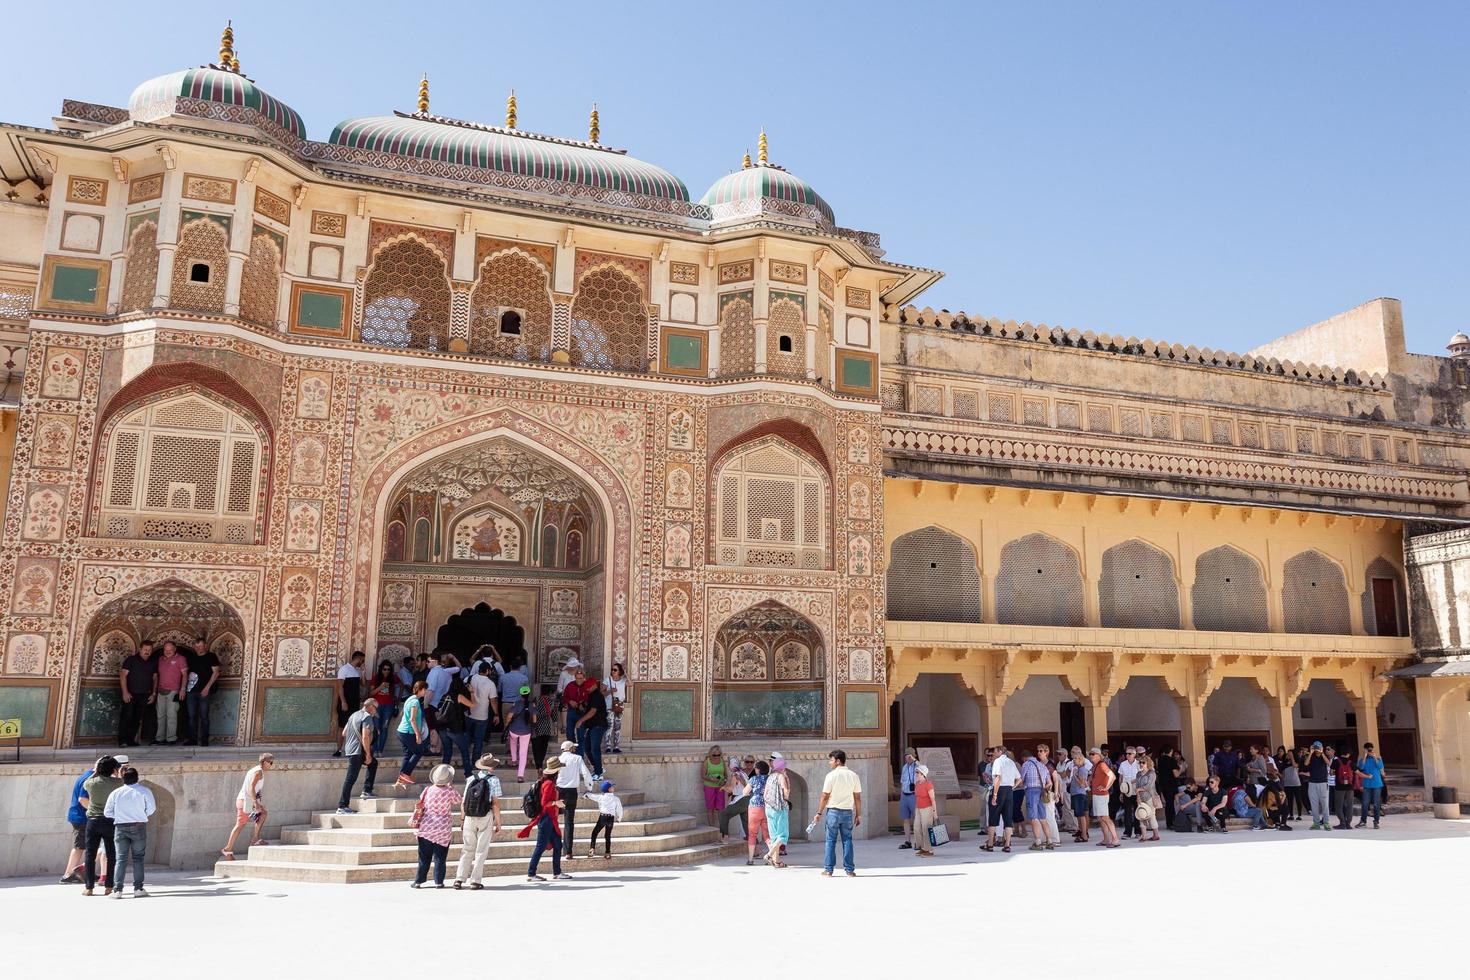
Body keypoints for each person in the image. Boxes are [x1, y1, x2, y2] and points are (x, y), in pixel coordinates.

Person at [103, 766, 155, 898]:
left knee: (120, 859)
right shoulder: (144, 791)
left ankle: (117, 890)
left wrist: (120, 816)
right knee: (138, 858)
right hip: (138, 826)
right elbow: (151, 809)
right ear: (137, 778)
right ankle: (138, 888)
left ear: (123, 778)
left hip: (120, 827)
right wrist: (140, 815)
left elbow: (107, 812)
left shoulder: (116, 793)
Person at [454, 754, 503, 889]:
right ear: (492, 767)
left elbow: (464, 802)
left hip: (470, 816)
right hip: (485, 816)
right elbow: (495, 804)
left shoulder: (471, 779)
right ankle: (475, 881)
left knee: (467, 848)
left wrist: (462, 819)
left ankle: (459, 879)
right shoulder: (494, 781)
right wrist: (498, 823)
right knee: (481, 850)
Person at [519, 758, 571, 882]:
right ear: (555, 771)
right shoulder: (549, 784)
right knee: (541, 846)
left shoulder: (547, 782)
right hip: (546, 818)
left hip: (550, 819)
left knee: (558, 845)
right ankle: (531, 873)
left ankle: (557, 872)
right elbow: (544, 803)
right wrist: (556, 803)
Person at [81, 756, 124, 895]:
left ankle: (89, 887)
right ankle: (109, 886)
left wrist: (96, 771)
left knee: (90, 854)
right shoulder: (117, 783)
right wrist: (118, 773)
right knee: (112, 854)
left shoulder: (91, 783)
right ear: (113, 769)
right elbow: (122, 782)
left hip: (93, 821)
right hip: (110, 821)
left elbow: (85, 783)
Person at [815, 749, 862, 877]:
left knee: (830, 841)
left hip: (833, 812)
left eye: (831, 760)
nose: (830, 763)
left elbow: (824, 796)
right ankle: (849, 870)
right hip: (847, 812)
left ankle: (829, 870)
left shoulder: (831, 776)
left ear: (838, 761)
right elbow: (857, 797)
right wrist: (858, 814)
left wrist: (819, 812)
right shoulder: (854, 775)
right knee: (847, 840)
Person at [410, 764, 457, 889]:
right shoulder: (450, 792)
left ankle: (418, 881)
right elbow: (459, 800)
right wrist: (451, 787)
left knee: (423, 857)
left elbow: (421, 802)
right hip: (443, 829)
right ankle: (439, 882)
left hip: (426, 827)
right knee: (440, 857)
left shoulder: (427, 790)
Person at [222, 753, 273, 858]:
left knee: (257, 816)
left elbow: (253, 789)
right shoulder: (258, 772)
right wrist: (255, 802)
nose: (271, 765)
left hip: (246, 801)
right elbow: (251, 788)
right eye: (270, 762)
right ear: (264, 762)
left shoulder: (256, 770)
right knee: (242, 823)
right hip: (246, 801)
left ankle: (231, 848)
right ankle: (229, 848)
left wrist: (256, 802)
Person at [335, 698, 378, 814]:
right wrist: (368, 754)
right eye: (376, 708)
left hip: (350, 750)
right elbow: (365, 736)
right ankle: (342, 806)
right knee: (350, 779)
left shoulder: (353, 715)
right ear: (371, 707)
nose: (376, 711)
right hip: (358, 751)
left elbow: (344, 733)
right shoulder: (367, 717)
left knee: (373, 763)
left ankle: (367, 790)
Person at [61, 760, 98, 884]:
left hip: (80, 816)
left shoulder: (86, 776)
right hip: (81, 817)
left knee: (87, 846)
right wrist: (96, 811)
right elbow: (83, 799)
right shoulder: (89, 779)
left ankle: (85, 871)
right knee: (79, 846)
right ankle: (68, 874)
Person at [556, 738, 594, 857]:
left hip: (558, 791)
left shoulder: (557, 759)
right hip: (571, 792)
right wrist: (589, 787)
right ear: (571, 749)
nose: (575, 749)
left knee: (553, 819)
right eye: (574, 747)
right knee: (569, 822)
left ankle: (554, 846)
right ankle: (568, 851)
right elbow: (586, 773)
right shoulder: (577, 758)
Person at [118, 640, 157, 747]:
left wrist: (153, 693)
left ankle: (131, 740)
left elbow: (155, 678)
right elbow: (123, 676)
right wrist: (125, 692)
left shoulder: (152, 662)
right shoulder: (131, 660)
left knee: (137, 719)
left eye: (149, 650)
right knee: (127, 717)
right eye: (145, 649)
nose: (147, 652)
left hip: (144, 695)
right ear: (140, 649)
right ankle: (122, 741)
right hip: (131, 694)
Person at [982, 744, 1020, 853]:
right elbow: (1019, 778)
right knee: (1008, 819)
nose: (993, 754)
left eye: (994, 752)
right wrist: (1012, 787)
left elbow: (998, 777)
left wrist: (994, 794)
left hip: (999, 790)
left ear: (1000, 752)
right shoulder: (1011, 762)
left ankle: (990, 844)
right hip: (1009, 790)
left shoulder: (998, 761)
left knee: (993, 817)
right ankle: (1007, 844)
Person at [184, 635, 221, 746]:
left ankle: (204, 740)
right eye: (196, 646)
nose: (198, 648)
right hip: (191, 691)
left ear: (205, 646)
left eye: (200, 646)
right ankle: (193, 739)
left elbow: (216, 673)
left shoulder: (211, 656)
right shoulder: (191, 657)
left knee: (204, 716)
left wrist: (207, 688)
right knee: (191, 716)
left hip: (205, 691)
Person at [153, 640, 189, 745]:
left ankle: (171, 739)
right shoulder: (160, 659)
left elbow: (185, 675)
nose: (168, 651)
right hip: (160, 691)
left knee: (171, 715)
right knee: (160, 715)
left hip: (174, 691)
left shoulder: (180, 659)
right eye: (165, 649)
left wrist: (183, 689)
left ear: (175, 649)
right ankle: (159, 738)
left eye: (170, 650)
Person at [396, 680, 430, 786]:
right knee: (419, 751)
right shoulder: (415, 702)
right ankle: (405, 774)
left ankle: (401, 779)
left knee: (408, 754)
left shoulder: (410, 699)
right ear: (420, 690)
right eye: (425, 689)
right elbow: (412, 719)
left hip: (402, 731)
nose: (426, 692)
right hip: (407, 732)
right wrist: (418, 735)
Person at [333, 650, 365, 757]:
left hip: (354, 702)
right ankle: (339, 749)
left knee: (354, 725)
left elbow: (363, 684)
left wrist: (363, 672)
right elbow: (340, 686)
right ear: (359, 659)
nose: (363, 662)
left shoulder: (357, 671)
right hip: (346, 702)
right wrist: (343, 701)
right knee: (342, 725)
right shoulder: (344, 669)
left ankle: (351, 749)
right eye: (362, 660)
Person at [467, 661, 500, 763]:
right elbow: (493, 701)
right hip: (482, 716)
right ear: (488, 671)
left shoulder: (469, 678)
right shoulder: (490, 684)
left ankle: (466, 760)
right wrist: (496, 714)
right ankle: (475, 762)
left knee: (467, 739)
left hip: (468, 714)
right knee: (478, 741)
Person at [762, 757, 792, 868]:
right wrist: (788, 785)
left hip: (769, 809)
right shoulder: (781, 777)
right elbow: (786, 792)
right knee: (783, 835)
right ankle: (769, 855)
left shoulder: (770, 777)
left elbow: (765, 794)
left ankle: (777, 861)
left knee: (774, 836)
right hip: (779, 809)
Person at [719, 754, 757, 839]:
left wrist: (723, 788)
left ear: (730, 765)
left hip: (741, 800)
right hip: (747, 799)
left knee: (723, 815)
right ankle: (754, 845)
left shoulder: (735, 775)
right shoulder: (743, 773)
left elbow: (730, 789)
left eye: (728, 765)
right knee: (746, 823)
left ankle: (725, 837)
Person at [1022, 745, 1053, 850]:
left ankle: (1038, 842)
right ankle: (1049, 841)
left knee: (1033, 818)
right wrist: (1044, 788)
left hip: (1031, 791)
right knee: (1043, 818)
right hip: (1041, 790)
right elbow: (1050, 783)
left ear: (1024, 758)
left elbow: (1022, 779)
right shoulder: (1042, 766)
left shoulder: (1026, 764)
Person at [578, 677, 609, 779]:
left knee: (595, 748)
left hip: (598, 725)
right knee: (587, 748)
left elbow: (593, 711)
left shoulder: (596, 695)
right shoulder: (592, 695)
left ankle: (599, 773)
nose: (587, 689)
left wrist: (581, 720)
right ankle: (598, 768)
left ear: (593, 685)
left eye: (588, 687)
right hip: (592, 726)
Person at [1088, 747, 1119, 847]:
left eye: (1093, 754)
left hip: (1101, 795)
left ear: (1098, 755)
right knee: (1100, 818)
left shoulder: (1101, 765)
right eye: (1090, 754)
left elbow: (1112, 776)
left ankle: (1115, 839)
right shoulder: (1095, 766)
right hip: (1096, 794)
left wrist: (1106, 787)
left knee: (1105, 817)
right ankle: (1106, 839)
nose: (1091, 756)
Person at [504, 685, 536, 781]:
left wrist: (506, 725)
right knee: (523, 753)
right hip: (526, 731)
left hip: (514, 729)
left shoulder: (516, 704)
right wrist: (532, 727)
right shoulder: (532, 705)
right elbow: (535, 719)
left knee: (513, 741)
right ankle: (520, 776)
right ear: (529, 694)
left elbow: (509, 716)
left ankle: (514, 760)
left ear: (520, 694)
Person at [587, 778, 624, 860]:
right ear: (609, 789)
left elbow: (592, 796)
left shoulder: (601, 797)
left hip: (603, 817)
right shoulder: (616, 799)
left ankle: (592, 848)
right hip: (611, 818)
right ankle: (607, 853)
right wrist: (619, 818)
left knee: (594, 833)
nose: (613, 788)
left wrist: (586, 795)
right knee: (607, 835)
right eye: (612, 787)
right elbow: (620, 809)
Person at [1063, 746, 1091, 843]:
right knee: (1078, 815)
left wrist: (1075, 775)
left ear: (1080, 759)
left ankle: (1084, 835)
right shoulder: (1076, 768)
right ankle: (1081, 832)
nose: (1073, 760)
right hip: (1075, 793)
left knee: (1081, 814)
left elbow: (1082, 784)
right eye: (1073, 758)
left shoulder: (1082, 769)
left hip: (1080, 794)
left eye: (1075, 758)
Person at [368, 660, 396, 755]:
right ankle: (374, 749)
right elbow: (371, 693)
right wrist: (381, 686)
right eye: (384, 669)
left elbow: (402, 685)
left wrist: (398, 697)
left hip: (389, 706)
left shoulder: (393, 678)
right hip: (376, 706)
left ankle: (380, 750)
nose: (386, 671)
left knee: (384, 727)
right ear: (381, 669)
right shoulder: (376, 678)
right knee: (376, 728)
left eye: (388, 669)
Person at [743, 762, 769, 865]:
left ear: (758, 769)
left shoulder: (754, 779)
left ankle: (750, 859)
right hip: (767, 808)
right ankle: (772, 856)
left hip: (754, 808)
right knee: (767, 835)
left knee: (752, 834)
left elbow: (745, 792)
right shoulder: (769, 779)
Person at [912, 764, 939, 857]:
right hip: (918, 809)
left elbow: (933, 799)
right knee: (916, 828)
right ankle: (922, 847)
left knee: (926, 829)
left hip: (927, 809)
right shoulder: (917, 784)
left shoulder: (928, 784)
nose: (916, 774)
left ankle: (929, 850)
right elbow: (917, 797)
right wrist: (916, 809)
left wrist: (935, 812)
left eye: (918, 772)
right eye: (916, 772)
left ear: (923, 774)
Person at [1357, 742, 1385, 829]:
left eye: (1370, 749)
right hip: (1367, 785)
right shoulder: (1362, 759)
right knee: (1365, 804)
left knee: (1376, 804)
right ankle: (1363, 821)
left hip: (1376, 784)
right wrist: (1365, 756)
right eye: (1367, 749)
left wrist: (1374, 757)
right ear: (1365, 750)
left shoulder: (1378, 758)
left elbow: (1380, 766)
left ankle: (1376, 821)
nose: (1369, 751)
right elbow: (1361, 768)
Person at [1304, 740, 1331, 830]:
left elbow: (1329, 763)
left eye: (1318, 747)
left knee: (1325, 804)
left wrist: (1322, 753)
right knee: (1314, 804)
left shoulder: (1325, 756)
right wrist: (1310, 753)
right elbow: (1306, 763)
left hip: (1323, 783)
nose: (1317, 749)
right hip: (1312, 783)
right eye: (1315, 747)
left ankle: (1326, 822)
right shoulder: (1311, 756)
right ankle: (1316, 823)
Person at [1134, 754, 1161, 842]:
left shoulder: (1151, 773)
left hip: (1150, 796)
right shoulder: (1138, 774)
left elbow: (1149, 786)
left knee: (1151, 815)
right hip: (1141, 797)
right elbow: (1137, 786)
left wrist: (1139, 790)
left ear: (1147, 763)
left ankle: (1156, 835)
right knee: (1141, 815)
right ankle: (1144, 836)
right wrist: (1138, 796)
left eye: (1143, 762)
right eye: (1140, 762)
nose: (1141, 764)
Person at [560, 666, 589, 747]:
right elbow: (564, 697)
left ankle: (580, 755)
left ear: (584, 678)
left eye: (580, 678)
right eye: (577, 678)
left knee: (581, 735)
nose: (579, 680)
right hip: (571, 712)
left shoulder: (587, 686)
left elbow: (591, 699)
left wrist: (583, 704)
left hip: (582, 713)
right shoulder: (570, 685)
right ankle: (572, 752)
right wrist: (570, 701)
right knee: (569, 733)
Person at [1116, 746, 1140, 840]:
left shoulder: (1138, 764)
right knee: (1127, 812)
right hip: (1126, 791)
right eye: (1126, 753)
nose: (1127, 755)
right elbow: (1120, 778)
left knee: (1137, 812)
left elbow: (1141, 777)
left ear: (1134, 754)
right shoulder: (1123, 764)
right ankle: (1127, 832)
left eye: (1129, 753)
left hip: (1136, 791)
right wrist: (1121, 792)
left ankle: (1138, 832)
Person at [530, 684, 556, 770]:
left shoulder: (536, 699)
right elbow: (554, 716)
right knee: (544, 746)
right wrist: (555, 728)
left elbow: (532, 711)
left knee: (536, 746)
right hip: (547, 726)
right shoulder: (552, 701)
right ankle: (540, 763)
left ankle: (538, 764)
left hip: (536, 725)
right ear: (549, 692)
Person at [701, 745, 728, 827]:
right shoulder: (707, 762)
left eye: (718, 755)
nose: (716, 757)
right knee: (710, 808)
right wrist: (711, 779)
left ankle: (722, 828)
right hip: (709, 787)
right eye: (714, 755)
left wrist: (724, 781)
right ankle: (711, 828)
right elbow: (703, 775)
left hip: (720, 787)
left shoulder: (722, 761)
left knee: (720, 808)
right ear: (710, 754)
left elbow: (726, 775)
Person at [898, 748, 920, 849]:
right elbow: (902, 781)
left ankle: (918, 841)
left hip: (913, 795)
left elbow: (924, 769)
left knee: (916, 819)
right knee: (906, 819)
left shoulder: (917, 767)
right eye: (906, 755)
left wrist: (915, 760)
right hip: (904, 795)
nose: (907, 757)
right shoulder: (904, 767)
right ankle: (908, 841)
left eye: (909, 755)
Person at [604, 662, 627, 754]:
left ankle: (616, 746)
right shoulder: (607, 680)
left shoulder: (623, 681)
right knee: (609, 726)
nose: (613, 671)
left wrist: (626, 673)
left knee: (618, 727)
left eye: (615, 670)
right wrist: (610, 691)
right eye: (612, 670)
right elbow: (602, 692)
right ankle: (608, 746)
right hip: (610, 707)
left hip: (619, 706)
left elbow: (631, 684)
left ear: (619, 671)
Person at [1156, 746, 1180, 828]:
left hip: (1163, 785)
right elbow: (1176, 774)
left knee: (1167, 804)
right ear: (1171, 751)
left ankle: (1168, 823)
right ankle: (1172, 823)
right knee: (1172, 804)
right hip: (1172, 784)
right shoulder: (1172, 760)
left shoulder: (1160, 760)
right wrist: (1180, 769)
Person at [1333, 748, 1357, 830]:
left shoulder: (1336, 761)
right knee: (1349, 805)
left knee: (1339, 806)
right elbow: (1358, 772)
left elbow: (1331, 772)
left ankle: (1342, 823)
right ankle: (1348, 824)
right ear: (1348, 754)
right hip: (1350, 787)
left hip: (1339, 787)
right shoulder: (1351, 762)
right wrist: (1368, 776)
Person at [1280, 747, 1303, 821]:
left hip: (1296, 783)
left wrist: (1292, 757)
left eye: (1290, 754)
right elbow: (1283, 774)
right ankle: (1291, 815)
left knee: (1298, 799)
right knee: (1289, 800)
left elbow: (1294, 766)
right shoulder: (1284, 763)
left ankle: (1299, 815)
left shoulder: (1296, 761)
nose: (1288, 755)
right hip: (1287, 784)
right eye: (1288, 754)